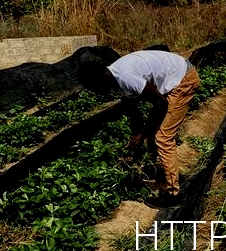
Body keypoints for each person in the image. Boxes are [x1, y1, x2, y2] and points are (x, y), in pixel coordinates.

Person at [77, 50, 200, 208]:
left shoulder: (125, 76)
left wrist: (142, 135)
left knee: (163, 137)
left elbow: (160, 103)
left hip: (183, 79)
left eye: (94, 88)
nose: (96, 93)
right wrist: (137, 134)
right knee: (153, 131)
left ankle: (173, 195)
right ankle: (154, 168)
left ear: (100, 79)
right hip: (174, 77)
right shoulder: (113, 79)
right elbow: (132, 108)